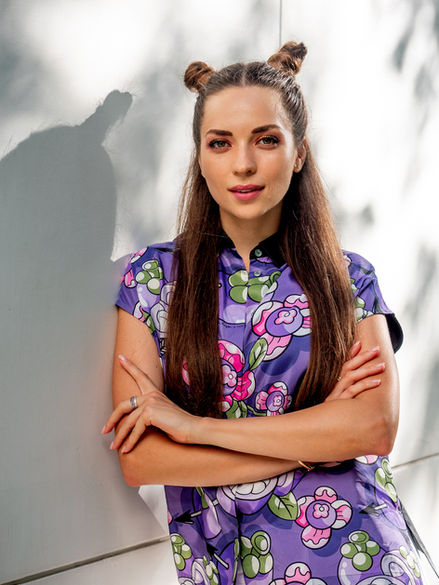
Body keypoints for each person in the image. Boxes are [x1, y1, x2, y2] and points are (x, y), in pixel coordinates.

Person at [102, 41, 424, 585]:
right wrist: (315, 443)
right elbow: (142, 459)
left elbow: (373, 427)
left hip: (366, 559)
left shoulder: (348, 278)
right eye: (220, 142)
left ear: (299, 153)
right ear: (200, 156)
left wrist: (194, 428)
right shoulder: (152, 282)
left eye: (266, 140)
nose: (243, 164)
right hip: (232, 565)